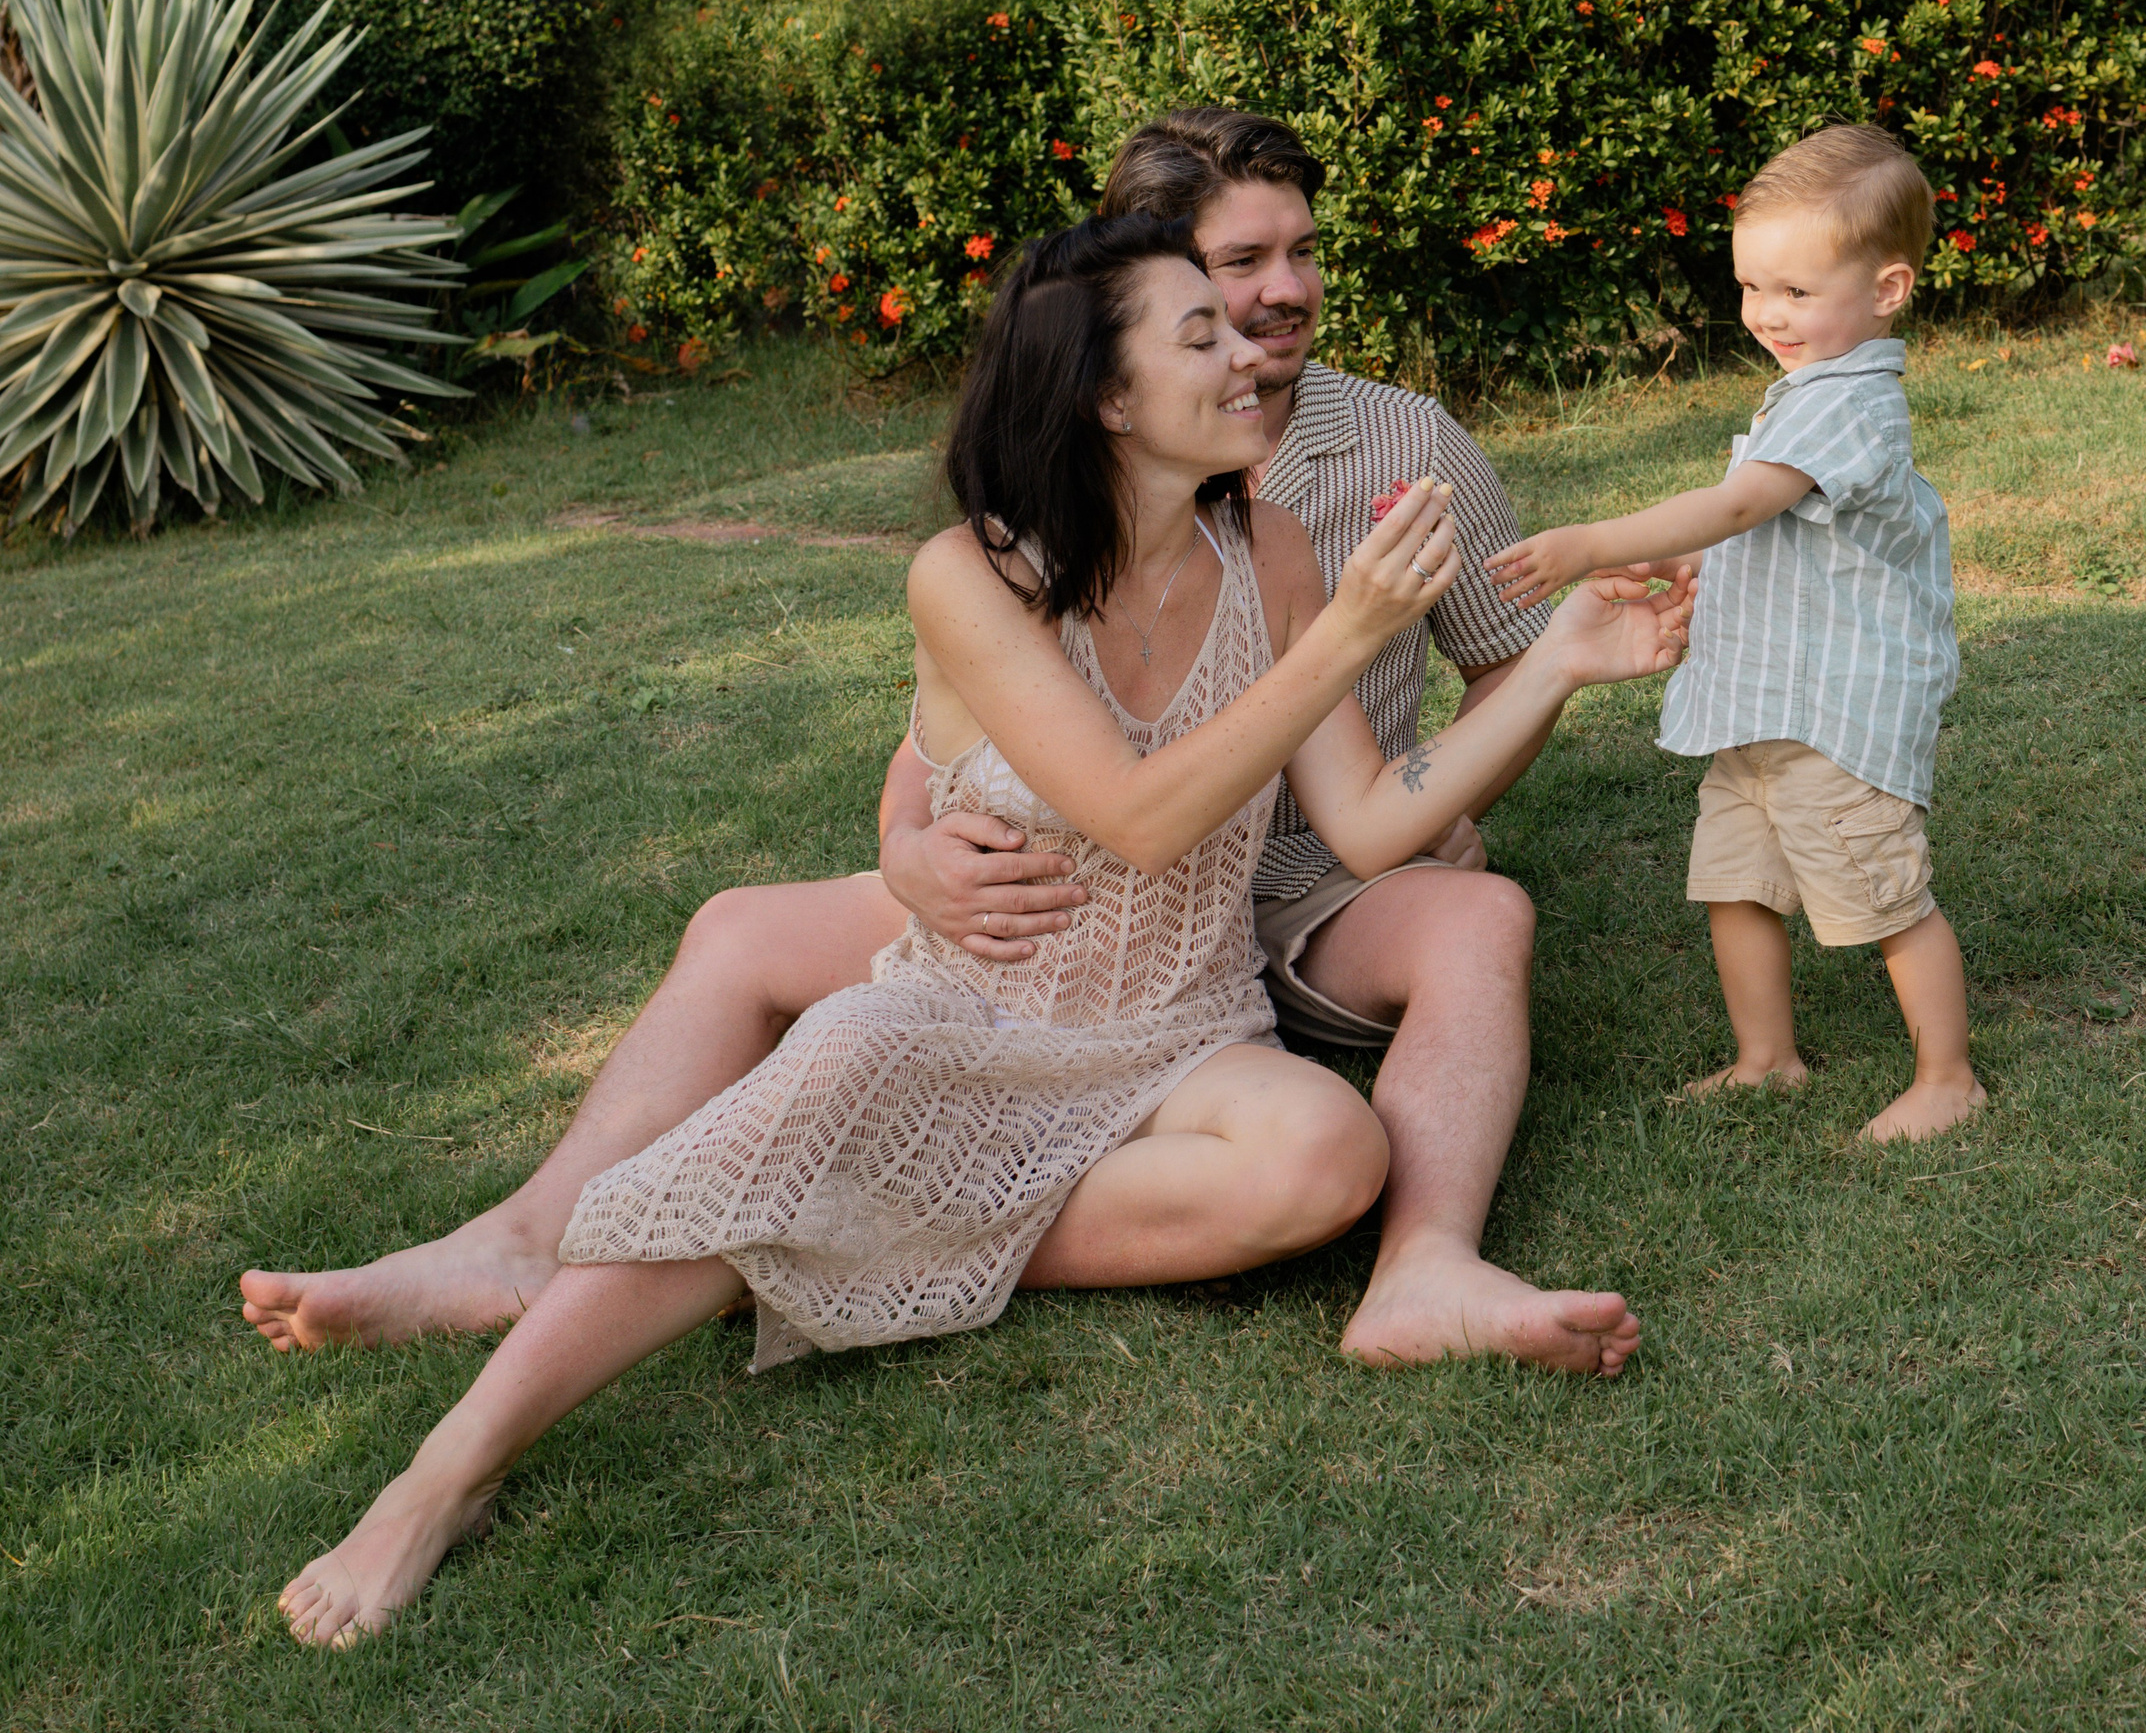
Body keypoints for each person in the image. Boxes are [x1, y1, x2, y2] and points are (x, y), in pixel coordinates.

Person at [268, 217, 1694, 1648]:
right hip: (973, 1008)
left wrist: (1564, 659)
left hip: (1187, 1028)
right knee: (822, 1084)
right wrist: (1341, 638)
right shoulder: (971, 574)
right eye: (1198, 332)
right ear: (1108, 398)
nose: (1249, 346)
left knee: (1333, 1152)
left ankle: (843, 1223)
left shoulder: (1267, 542)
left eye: (1237, 323)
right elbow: (1140, 815)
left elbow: (1374, 818)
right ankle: (441, 1474)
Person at [1486, 124, 1983, 1143]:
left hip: (1834, 712)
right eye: (1754, 288)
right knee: (1736, 882)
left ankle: (1947, 1075)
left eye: (1796, 291)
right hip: (1763, 701)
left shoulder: (1851, 406)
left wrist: (1594, 540)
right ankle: (1766, 1058)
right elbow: (1772, 537)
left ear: (1887, 289)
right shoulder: (1802, 396)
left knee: (1884, 897)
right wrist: (1689, 567)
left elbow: (1738, 507)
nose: (1767, 314)